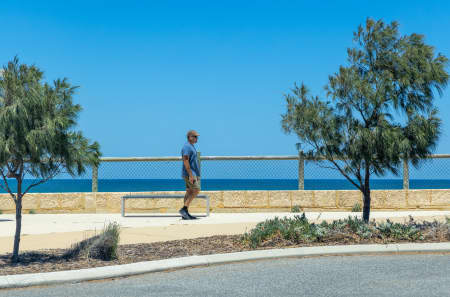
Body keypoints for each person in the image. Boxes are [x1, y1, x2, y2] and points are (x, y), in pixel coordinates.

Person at [179, 130, 201, 220]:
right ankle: (184, 209)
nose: (196, 138)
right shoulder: (187, 147)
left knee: (189, 192)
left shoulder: (191, 147)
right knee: (196, 190)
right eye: (195, 136)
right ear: (189, 137)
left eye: (197, 137)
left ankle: (185, 214)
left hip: (192, 173)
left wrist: (197, 174)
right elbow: (185, 161)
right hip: (189, 174)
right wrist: (191, 175)